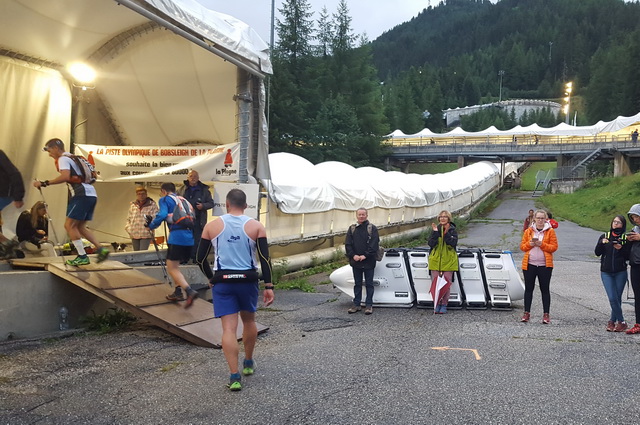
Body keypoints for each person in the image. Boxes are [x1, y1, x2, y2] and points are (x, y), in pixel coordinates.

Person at [195, 188, 274, 391]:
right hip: (247, 280)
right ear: (246, 206)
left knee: (228, 329)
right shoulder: (256, 226)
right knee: (249, 321)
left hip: (223, 281)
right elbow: (265, 258)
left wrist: (211, 278)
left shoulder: (212, 226)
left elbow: (200, 258)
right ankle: (248, 362)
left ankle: (234, 375)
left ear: (227, 204)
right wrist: (269, 286)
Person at [33, 138, 109, 266]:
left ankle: (82, 256)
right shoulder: (76, 157)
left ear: (56, 148)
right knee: (80, 227)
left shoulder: (63, 159)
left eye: (50, 150)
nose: (50, 154)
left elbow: (65, 176)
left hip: (80, 194)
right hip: (91, 193)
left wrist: (44, 183)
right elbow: (93, 175)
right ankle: (101, 249)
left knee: (69, 225)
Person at [147, 182, 199, 307]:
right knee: (176, 266)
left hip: (177, 237)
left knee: (172, 267)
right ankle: (177, 292)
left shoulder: (164, 199)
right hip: (190, 238)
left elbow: (163, 215)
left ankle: (189, 291)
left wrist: (152, 225)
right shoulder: (183, 199)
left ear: (163, 191)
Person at [519, 209, 558, 324]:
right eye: (538, 218)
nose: (540, 220)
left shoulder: (550, 231)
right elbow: (522, 247)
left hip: (545, 265)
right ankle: (526, 313)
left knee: (545, 289)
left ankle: (546, 314)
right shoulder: (529, 231)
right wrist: (530, 244)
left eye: (542, 218)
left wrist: (542, 245)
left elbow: (554, 247)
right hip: (530, 264)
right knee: (528, 289)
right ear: (534, 219)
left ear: (546, 219)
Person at [594, 215, 629, 332]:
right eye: (614, 222)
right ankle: (622, 321)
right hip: (606, 272)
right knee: (612, 298)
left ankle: (612, 321)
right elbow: (597, 253)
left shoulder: (625, 238)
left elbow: (629, 256)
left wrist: (621, 248)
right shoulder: (605, 236)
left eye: (618, 222)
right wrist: (601, 243)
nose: (615, 224)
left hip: (620, 272)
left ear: (623, 225)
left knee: (617, 298)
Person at [345, 208, 379, 315]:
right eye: (359, 214)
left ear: (367, 215)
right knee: (357, 283)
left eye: (363, 214)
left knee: (369, 284)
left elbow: (374, 244)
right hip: (356, 262)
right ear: (356, 216)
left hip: (369, 261)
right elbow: (348, 244)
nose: (361, 216)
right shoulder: (352, 229)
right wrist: (353, 255)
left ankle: (369, 305)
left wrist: (365, 255)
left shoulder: (372, 228)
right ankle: (356, 304)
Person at [177, 170, 213, 261]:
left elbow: (211, 203)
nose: (193, 178)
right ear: (187, 178)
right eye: (191, 176)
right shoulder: (181, 190)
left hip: (198, 220)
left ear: (198, 178)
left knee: (197, 241)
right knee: (184, 239)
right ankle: (184, 259)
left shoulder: (204, 190)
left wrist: (203, 206)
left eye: (195, 176)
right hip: (184, 220)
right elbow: (176, 202)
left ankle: (196, 259)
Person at [428, 210, 459, 314]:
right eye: (441, 217)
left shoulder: (452, 230)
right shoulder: (435, 229)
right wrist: (436, 233)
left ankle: (444, 304)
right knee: (436, 283)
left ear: (448, 218)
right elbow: (431, 244)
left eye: (445, 217)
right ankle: (437, 303)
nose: (442, 218)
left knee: (446, 284)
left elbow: (453, 243)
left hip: (448, 260)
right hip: (436, 260)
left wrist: (446, 234)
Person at [0, 149, 25, 257]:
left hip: (3, 193)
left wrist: (18, 196)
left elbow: (14, 173)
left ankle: (8, 244)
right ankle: (6, 246)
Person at [125, 186, 159, 251]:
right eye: (139, 194)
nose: (141, 196)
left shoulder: (152, 205)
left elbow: (155, 218)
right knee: (135, 253)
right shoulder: (133, 205)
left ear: (146, 194)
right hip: (134, 233)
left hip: (146, 233)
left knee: (142, 252)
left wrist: (151, 227)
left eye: (143, 194)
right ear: (136, 195)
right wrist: (128, 228)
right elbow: (128, 218)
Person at [624, 204, 640, 334]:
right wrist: (628, 241)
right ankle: (638, 323)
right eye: (633, 217)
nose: (635, 220)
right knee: (637, 296)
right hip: (635, 265)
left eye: (637, 216)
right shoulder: (634, 229)